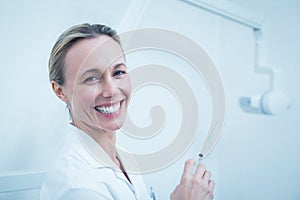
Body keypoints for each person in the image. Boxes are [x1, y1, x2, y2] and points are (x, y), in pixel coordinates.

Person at [40, 23, 215, 200]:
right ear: (59, 91)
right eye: (91, 78)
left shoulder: (123, 158)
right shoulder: (77, 186)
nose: (111, 90)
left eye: (118, 72)